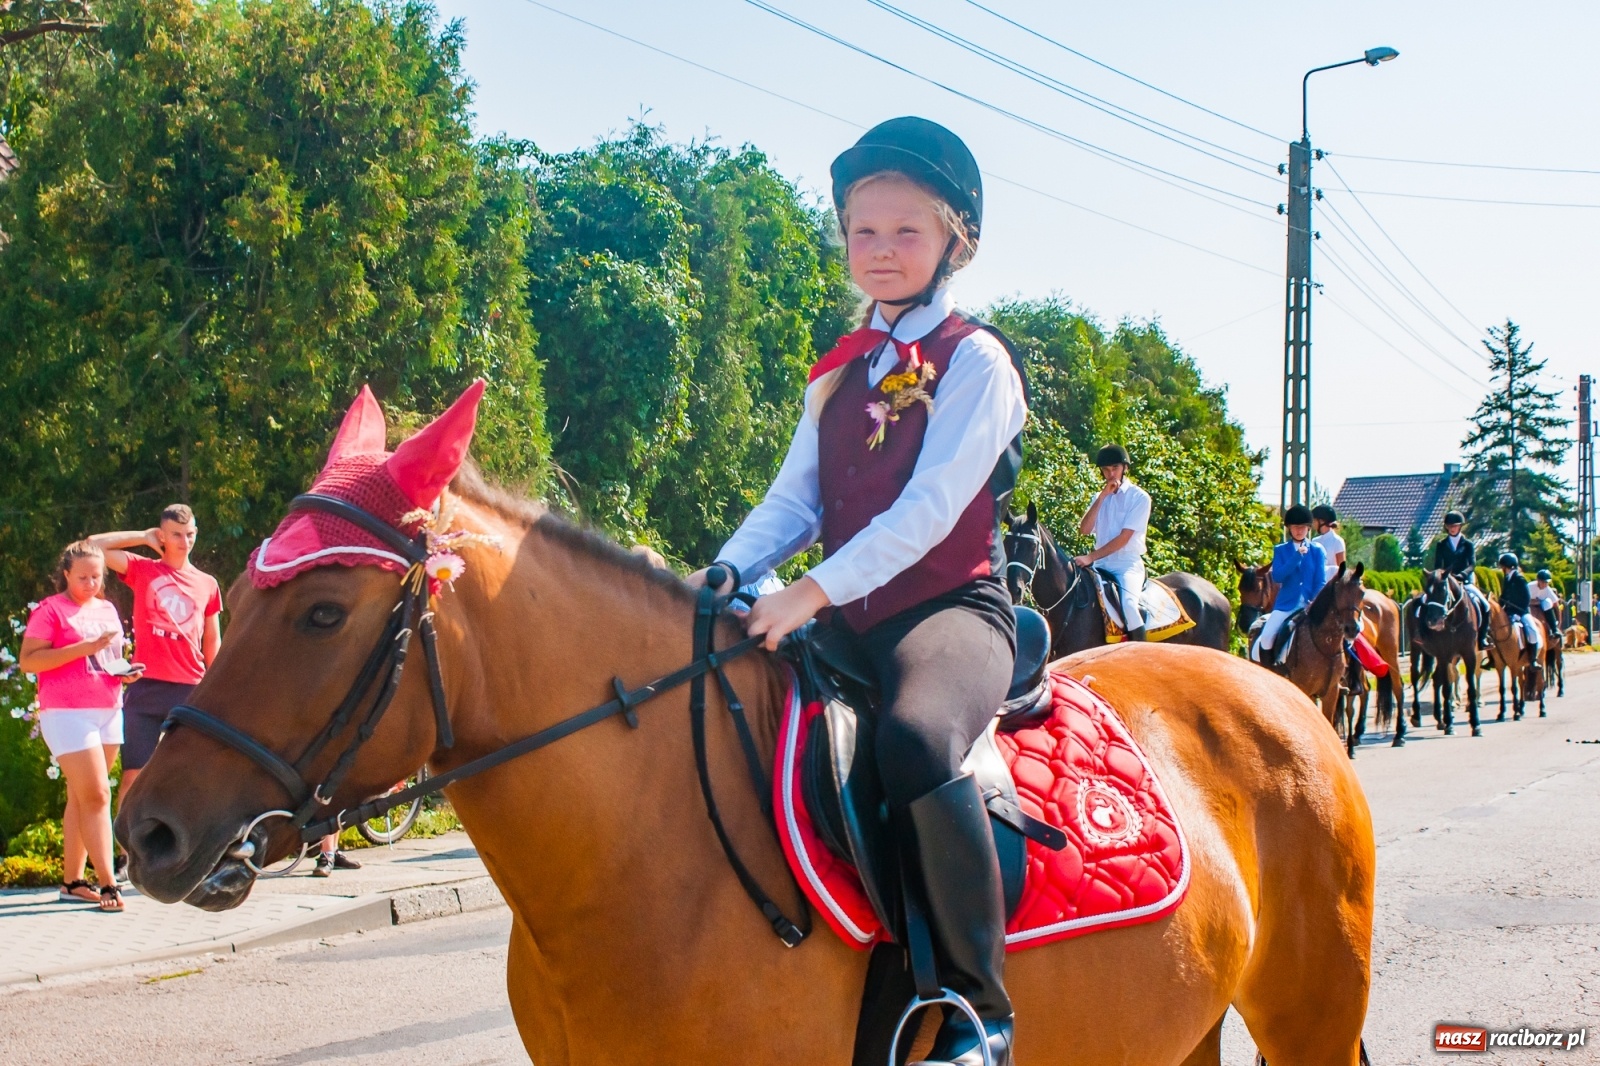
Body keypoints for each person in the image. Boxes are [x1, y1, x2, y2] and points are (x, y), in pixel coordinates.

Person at [690, 118, 1026, 1066]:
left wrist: (806, 596)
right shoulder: (839, 369)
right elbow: (794, 499)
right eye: (861, 232)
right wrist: (727, 570)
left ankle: (979, 1006)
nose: (878, 251)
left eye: (905, 232)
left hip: (949, 611)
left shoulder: (977, 362)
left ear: (955, 240)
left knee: (915, 740)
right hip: (843, 611)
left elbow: (926, 513)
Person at [19, 543, 143, 912]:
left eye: (97, 576)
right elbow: (28, 661)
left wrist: (125, 673)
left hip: (108, 708)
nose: (91, 582)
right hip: (67, 712)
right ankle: (108, 882)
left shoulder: (107, 609)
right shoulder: (51, 610)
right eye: (83, 576)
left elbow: (109, 659)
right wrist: (83, 647)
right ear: (67, 575)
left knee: (81, 797)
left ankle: (72, 882)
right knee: (98, 797)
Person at [1074, 444, 1152, 640]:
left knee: (1129, 606)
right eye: (1106, 470)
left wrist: (1090, 557)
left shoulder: (1139, 498)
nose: (1111, 474)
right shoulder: (1099, 497)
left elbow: (1124, 539)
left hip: (1127, 565)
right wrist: (1101, 497)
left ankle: (1140, 654)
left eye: (1115, 468)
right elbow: (1084, 529)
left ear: (1125, 468)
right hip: (1101, 565)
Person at [1250, 505, 1328, 665]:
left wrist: (1315, 601)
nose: (1299, 530)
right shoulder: (1281, 550)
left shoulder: (1317, 551)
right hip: (1286, 605)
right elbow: (1278, 576)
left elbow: (1320, 581)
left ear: (1308, 528)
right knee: (1266, 637)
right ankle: (1269, 670)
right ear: (1289, 529)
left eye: (1302, 527)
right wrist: (1296, 556)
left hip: (1310, 605)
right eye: (1295, 527)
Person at [1432, 511, 1491, 647]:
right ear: (1446, 527)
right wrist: (1441, 576)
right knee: (1427, 601)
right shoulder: (1441, 544)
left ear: (1460, 527)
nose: (1452, 528)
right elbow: (1437, 565)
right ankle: (1425, 633)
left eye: (1455, 526)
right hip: (1446, 581)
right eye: (1450, 526)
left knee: (1486, 606)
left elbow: (1471, 564)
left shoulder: (1468, 544)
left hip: (1465, 581)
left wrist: (1462, 575)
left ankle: (1482, 638)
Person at [1498, 553, 1541, 653]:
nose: (1502, 569)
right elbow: (1503, 596)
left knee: (1532, 631)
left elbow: (1526, 598)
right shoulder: (1507, 579)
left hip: (1522, 612)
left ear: (1508, 566)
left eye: (1503, 567)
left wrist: (1519, 613)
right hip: (1508, 611)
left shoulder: (1519, 579)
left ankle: (1533, 659)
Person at [1311, 505, 1346, 582]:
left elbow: (1342, 569)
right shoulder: (1314, 541)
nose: (1313, 523)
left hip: (1331, 584)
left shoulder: (1337, 541)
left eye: (1314, 520)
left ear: (1321, 521)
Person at [1531, 570, 1562, 642]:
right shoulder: (1530, 587)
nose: (1545, 584)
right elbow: (1524, 600)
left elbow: (1556, 605)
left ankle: (1553, 629)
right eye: (1543, 582)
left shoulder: (1548, 590)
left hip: (1543, 607)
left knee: (1547, 602)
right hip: (1529, 607)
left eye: (1547, 582)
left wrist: (1559, 622)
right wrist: (1535, 602)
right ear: (1538, 580)